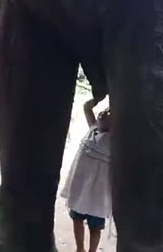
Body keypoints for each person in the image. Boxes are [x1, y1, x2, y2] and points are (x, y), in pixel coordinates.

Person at [60, 98, 112, 252]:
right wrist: (99, 96)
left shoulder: (115, 142)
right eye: (104, 110)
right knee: (76, 218)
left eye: (109, 114)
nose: (103, 113)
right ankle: (80, 249)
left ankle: (92, 251)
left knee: (95, 226)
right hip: (80, 187)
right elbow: (86, 106)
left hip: (98, 194)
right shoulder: (93, 128)